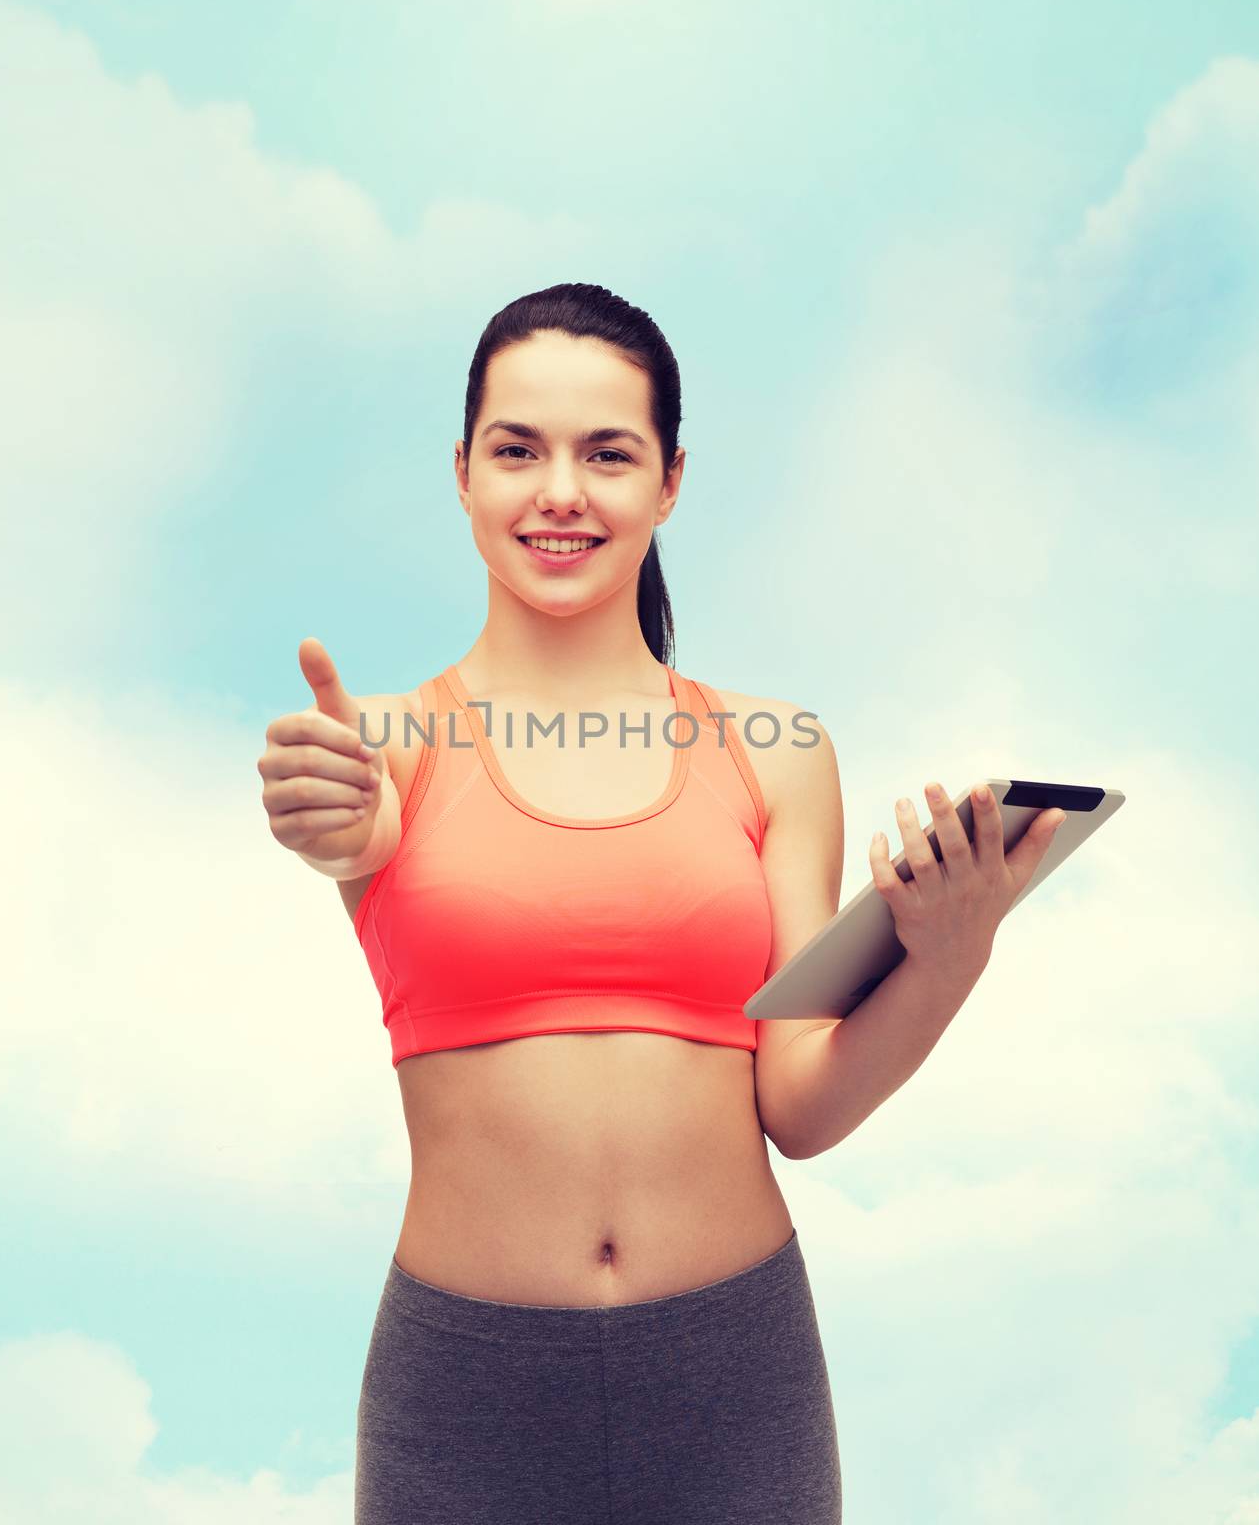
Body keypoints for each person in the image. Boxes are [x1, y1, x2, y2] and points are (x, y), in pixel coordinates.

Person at [256, 282, 1064, 1524]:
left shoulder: (776, 751)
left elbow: (799, 1104)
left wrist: (954, 952)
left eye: (608, 453)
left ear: (671, 480)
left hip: (735, 1374)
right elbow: (350, 830)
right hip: (465, 1388)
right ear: (462, 473)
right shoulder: (387, 748)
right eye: (518, 449)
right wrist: (334, 826)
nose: (560, 491)